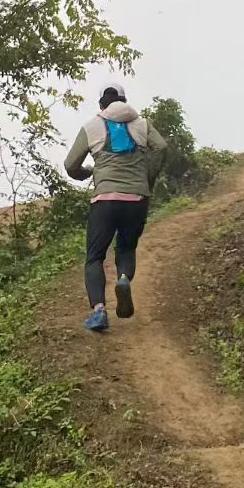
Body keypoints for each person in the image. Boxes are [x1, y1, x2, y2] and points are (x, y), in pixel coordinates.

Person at [64, 85, 167, 333]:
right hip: (137, 199)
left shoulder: (92, 126)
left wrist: (87, 173)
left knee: (94, 257)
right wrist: (147, 178)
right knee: (126, 247)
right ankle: (123, 279)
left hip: (105, 200)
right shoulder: (142, 124)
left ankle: (99, 311)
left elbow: (70, 165)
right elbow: (161, 147)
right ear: (124, 100)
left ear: (102, 104)